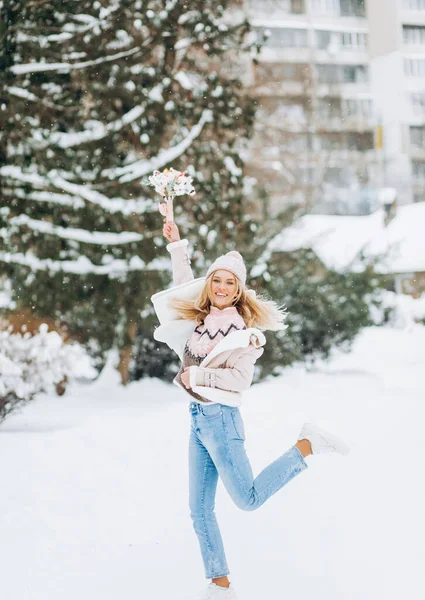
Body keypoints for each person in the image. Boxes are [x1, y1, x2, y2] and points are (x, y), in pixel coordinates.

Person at [152, 220, 350, 600]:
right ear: (209, 286)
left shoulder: (242, 332)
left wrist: (199, 375)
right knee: (199, 509)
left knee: (248, 500)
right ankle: (219, 582)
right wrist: (176, 244)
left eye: (230, 283)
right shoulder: (199, 320)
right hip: (197, 420)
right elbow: (182, 282)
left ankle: (306, 445)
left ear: (239, 290)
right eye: (216, 281)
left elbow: (240, 381)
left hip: (221, 421)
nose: (222, 288)